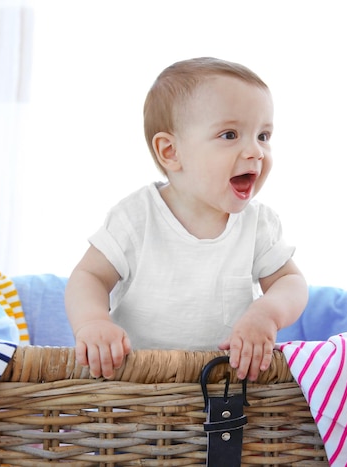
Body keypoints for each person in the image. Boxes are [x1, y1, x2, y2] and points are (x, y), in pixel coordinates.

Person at [65, 57, 308, 382]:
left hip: (225, 395)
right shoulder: (137, 217)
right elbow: (89, 276)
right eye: (230, 134)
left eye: (263, 135)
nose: (256, 152)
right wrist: (93, 322)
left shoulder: (257, 224)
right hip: (135, 390)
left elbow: (290, 283)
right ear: (170, 152)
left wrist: (266, 313)